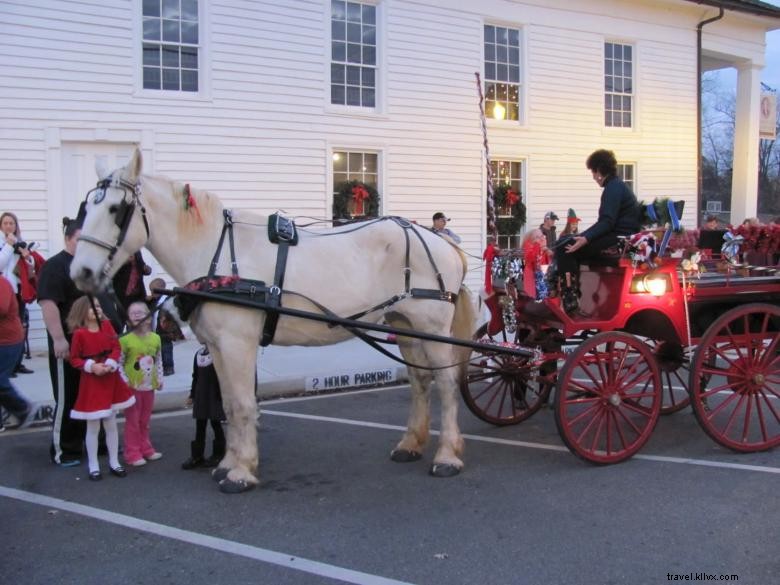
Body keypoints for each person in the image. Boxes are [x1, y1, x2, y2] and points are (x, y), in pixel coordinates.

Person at [37, 216, 123, 467]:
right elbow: (48, 303)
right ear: (67, 239)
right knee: (70, 397)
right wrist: (58, 339)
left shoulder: (93, 267)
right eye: (79, 239)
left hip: (100, 347)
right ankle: (66, 450)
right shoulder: (55, 267)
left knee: (98, 397)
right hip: (72, 347)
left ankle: (100, 444)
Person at [555, 149, 640, 314]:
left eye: (593, 172)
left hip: (618, 239)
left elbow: (607, 222)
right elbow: (605, 222)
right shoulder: (616, 186)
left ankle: (570, 297)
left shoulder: (613, 188)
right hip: (617, 236)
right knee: (566, 242)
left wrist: (585, 238)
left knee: (564, 248)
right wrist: (583, 236)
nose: (593, 176)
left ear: (600, 170)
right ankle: (572, 292)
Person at [67, 296, 135, 481]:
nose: (96, 309)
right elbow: (74, 359)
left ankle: (114, 462)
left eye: (98, 305)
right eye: (91, 307)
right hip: (92, 383)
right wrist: (92, 366)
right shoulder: (80, 334)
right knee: (93, 426)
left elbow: (116, 347)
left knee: (111, 423)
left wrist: (111, 363)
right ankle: (93, 465)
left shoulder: (107, 327)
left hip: (110, 378)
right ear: (82, 312)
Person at [119, 301, 163, 467]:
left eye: (141, 312)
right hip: (132, 388)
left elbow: (158, 360)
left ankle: (146, 448)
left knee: (145, 420)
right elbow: (119, 363)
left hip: (149, 387)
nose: (137, 315)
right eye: (133, 313)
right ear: (128, 319)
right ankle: (132, 453)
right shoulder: (125, 340)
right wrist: (125, 382)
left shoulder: (156, 338)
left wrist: (159, 378)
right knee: (133, 421)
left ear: (148, 317)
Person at [0, 211, 44, 376]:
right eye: (5, 223)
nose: (9, 226)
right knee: (5, 330)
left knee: (20, 328)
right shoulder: (4, 243)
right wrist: (9, 246)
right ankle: (7, 366)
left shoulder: (20, 242)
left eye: (12, 223)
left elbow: (30, 266)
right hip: (4, 292)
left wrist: (27, 256)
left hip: (18, 292)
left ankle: (17, 363)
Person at [0, 276, 37, 432]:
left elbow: (1, 308)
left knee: (0, 381)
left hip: (7, 341)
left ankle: (24, 409)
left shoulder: (1, 283)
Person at [181, 345, 226, 470]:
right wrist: (192, 394)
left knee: (216, 424)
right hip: (201, 395)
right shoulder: (199, 354)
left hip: (215, 395)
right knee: (200, 425)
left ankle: (219, 454)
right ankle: (197, 456)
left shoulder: (219, 354)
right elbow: (195, 376)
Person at [148, 278, 183, 376]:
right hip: (155, 329)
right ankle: (155, 366)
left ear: (162, 288)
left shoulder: (168, 299)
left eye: (153, 290)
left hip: (165, 331)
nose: (152, 293)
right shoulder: (155, 300)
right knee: (155, 349)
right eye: (151, 290)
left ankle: (168, 367)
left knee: (166, 349)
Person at [112, 251, 151, 324]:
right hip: (123, 293)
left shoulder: (137, 252)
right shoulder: (120, 250)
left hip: (138, 292)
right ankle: (123, 333)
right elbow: (112, 268)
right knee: (123, 317)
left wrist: (147, 270)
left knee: (141, 315)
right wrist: (125, 262)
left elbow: (142, 266)